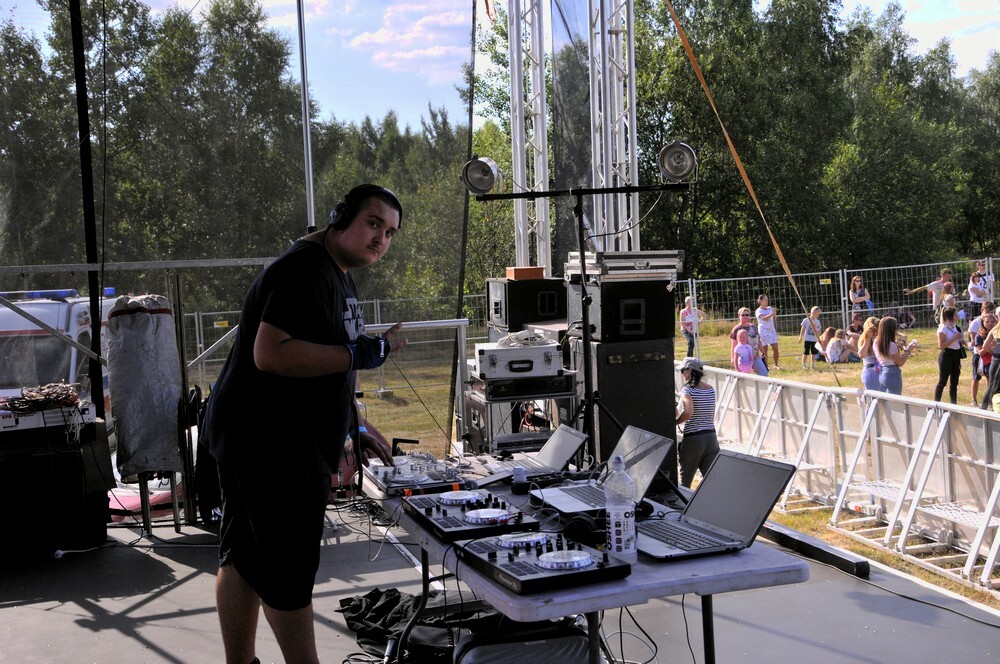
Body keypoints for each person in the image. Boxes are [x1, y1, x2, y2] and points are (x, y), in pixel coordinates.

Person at [202, 184, 405, 664]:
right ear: (339, 217)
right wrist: (360, 353)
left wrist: (352, 424)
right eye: (373, 223)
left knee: (244, 559)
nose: (381, 239)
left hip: (258, 440)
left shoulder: (336, 273)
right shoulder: (304, 271)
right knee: (287, 575)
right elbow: (271, 353)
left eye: (391, 232)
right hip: (273, 448)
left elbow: (331, 360)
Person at [675, 357, 720, 488]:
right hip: (711, 437)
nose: (682, 374)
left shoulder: (687, 390)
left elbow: (689, 412)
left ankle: (682, 507)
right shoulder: (710, 389)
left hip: (693, 438)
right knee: (712, 479)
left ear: (689, 370)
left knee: (685, 481)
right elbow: (711, 415)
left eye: (683, 370)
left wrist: (676, 422)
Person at [874, 316, 916, 394]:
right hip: (892, 373)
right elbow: (900, 362)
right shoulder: (891, 345)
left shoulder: (876, 342)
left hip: (882, 372)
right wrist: (908, 350)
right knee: (895, 403)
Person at [969, 302, 998, 406]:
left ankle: (990, 400)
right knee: (976, 377)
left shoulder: (995, 332)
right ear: (983, 322)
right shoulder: (979, 334)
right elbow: (980, 350)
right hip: (979, 357)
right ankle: (974, 399)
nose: (990, 323)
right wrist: (991, 348)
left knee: (989, 379)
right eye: (987, 321)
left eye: (992, 321)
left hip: (991, 358)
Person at [934, 306, 964, 404]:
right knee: (943, 381)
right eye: (955, 315)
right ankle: (936, 403)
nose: (957, 317)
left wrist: (961, 341)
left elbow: (956, 339)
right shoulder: (943, 329)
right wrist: (954, 338)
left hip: (956, 354)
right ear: (950, 316)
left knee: (954, 382)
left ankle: (953, 404)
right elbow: (941, 346)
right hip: (947, 355)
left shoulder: (954, 326)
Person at [729, 307, 768, 375]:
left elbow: (758, 341)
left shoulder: (753, 327)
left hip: (755, 356)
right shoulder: (736, 329)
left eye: (747, 315)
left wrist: (763, 352)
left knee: (764, 373)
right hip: (742, 359)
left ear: (749, 316)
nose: (745, 316)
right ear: (739, 316)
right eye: (743, 315)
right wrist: (733, 358)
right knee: (744, 377)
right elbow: (734, 344)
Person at [755, 294, 780, 370]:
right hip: (763, 331)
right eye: (765, 299)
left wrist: (774, 314)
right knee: (764, 349)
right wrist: (772, 313)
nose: (767, 301)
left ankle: (776, 364)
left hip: (772, 331)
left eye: (767, 299)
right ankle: (766, 365)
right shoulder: (758, 311)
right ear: (760, 301)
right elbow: (764, 318)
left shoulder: (769, 308)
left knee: (775, 348)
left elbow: (775, 318)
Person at [857, 316, 881, 390]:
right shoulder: (863, 339)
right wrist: (868, 338)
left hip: (881, 369)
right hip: (870, 370)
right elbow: (861, 355)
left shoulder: (879, 338)